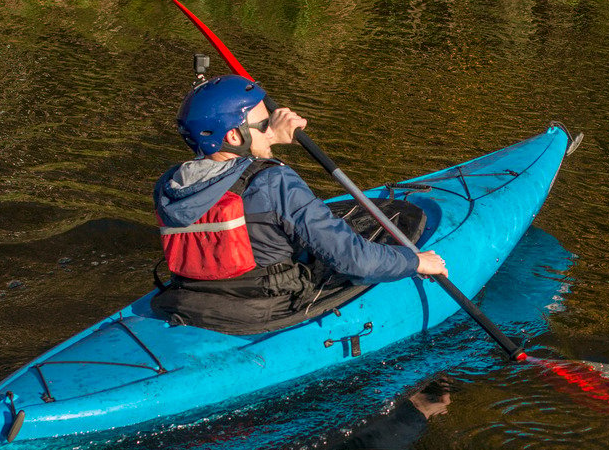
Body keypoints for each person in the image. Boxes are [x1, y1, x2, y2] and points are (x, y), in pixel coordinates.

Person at [152, 75, 447, 332]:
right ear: (233, 135)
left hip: (191, 300)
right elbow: (357, 261)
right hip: (265, 309)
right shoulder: (274, 182)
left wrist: (267, 136)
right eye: (264, 122)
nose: (271, 126)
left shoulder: (170, 186)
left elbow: (234, 178)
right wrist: (416, 261)